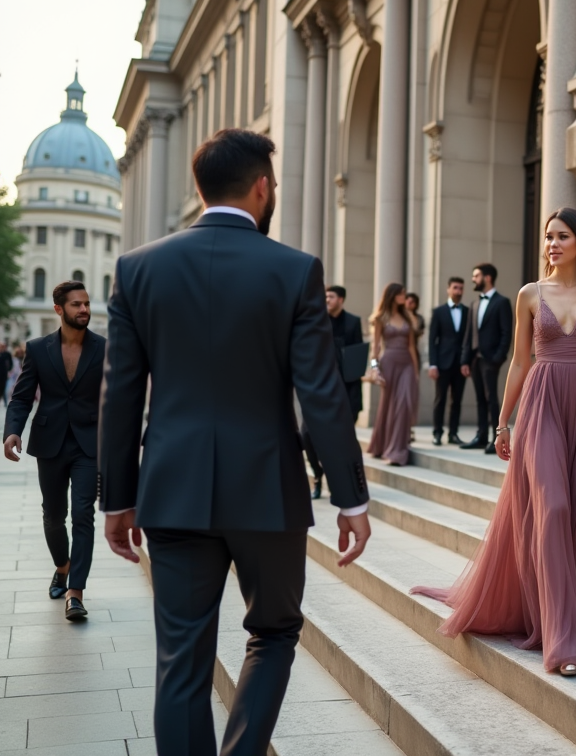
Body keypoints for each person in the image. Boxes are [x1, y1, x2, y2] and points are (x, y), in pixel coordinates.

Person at [98, 129, 371, 756]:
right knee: (273, 634)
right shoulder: (295, 270)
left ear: (201, 189)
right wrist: (351, 498)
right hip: (267, 493)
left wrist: (116, 498)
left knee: (180, 659)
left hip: (172, 488)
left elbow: (120, 395)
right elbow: (322, 394)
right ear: (262, 188)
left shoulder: (137, 269)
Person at [413, 208, 576, 676]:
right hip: (542, 405)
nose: (552, 244)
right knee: (553, 507)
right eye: (548, 236)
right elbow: (520, 362)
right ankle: (563, 637)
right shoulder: (529, 294)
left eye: (562, 237)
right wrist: (502, 422)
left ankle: (572, 607)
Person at [4, 281, 104, 621]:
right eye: (77, 304)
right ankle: (62, 566)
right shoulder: (38, 348)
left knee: (83, 514)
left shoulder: (104, 348)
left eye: (86, 303)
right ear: (59, 309)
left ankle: (76, 592)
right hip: (50, 442)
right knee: (53, 515)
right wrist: (12, 431)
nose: (84, 309)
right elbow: (21, 397)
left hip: (89, 443)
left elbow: (116, 398)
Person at [306, 285, 364, 500]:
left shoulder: (353, 322)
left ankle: (347, 482)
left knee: (345, 439)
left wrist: (367, 371)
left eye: (330, 296)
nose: (326, 300)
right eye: (325, 296)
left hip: (347, 389)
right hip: (319, 387)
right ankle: (317, 475)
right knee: (307, 436)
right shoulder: (316, 320)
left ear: (341, 299)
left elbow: (358, 354)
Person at [461, 263, 512, 454]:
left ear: (487, 278)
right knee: (480, 399)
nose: (473, 279)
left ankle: (495, 438)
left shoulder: (502, 302)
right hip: (475, 359)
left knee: (492, 399)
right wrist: (465, 360)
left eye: (476, 276)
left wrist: (498, 357)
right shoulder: (474, 304)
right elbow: (469, 335)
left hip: (491, 359)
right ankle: (481, 436)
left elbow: (506, 333)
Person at [366, 282, 420, 466]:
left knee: (404, 403)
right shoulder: (380, 318)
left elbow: (411, 346)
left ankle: (397, 451)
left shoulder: (408, 317)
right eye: (401, 294)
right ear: (393, 296)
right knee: (389, 405)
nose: (404, 297)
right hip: (388, 363)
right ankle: (382, 445)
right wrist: (375, 368)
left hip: (407, 365)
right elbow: (375, 348)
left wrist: (416, 371)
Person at [427, 277, 469, 446]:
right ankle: (437, 433)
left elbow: (468, 339)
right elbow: (432, 340)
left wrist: (467, 361)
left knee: (457, 400)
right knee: (440, 399)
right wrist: (433, 364)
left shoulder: (467, 311)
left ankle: (453, 433)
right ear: (448, 289)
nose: (458, 291)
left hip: (460, 364)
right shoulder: (438, 312)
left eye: (461, 288)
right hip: (442, 363)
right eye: (455, 288)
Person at [0, 342, 12, 407]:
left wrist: (8, 370)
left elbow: (10, 364)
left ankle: (5, 402)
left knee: (3, 388)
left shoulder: (7, 354)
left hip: (3, 374)